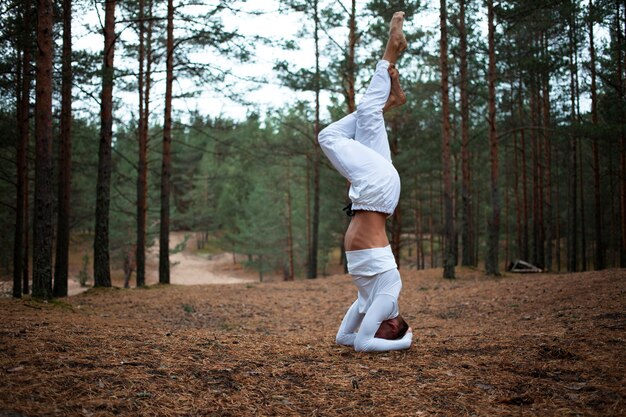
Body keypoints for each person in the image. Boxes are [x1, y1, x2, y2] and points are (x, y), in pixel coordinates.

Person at [318, 11, 413, 352]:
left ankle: (390, 101)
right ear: (395, 325)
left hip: (375, 193)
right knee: (328, 137)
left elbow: (345, 340)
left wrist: (374, 337)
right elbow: (363, 345)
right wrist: (406, 342)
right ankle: (392, 47)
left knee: (368, 114)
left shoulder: (367, 299)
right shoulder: (387, 301)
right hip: (375, 192)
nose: (378, 334)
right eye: (389, 335)